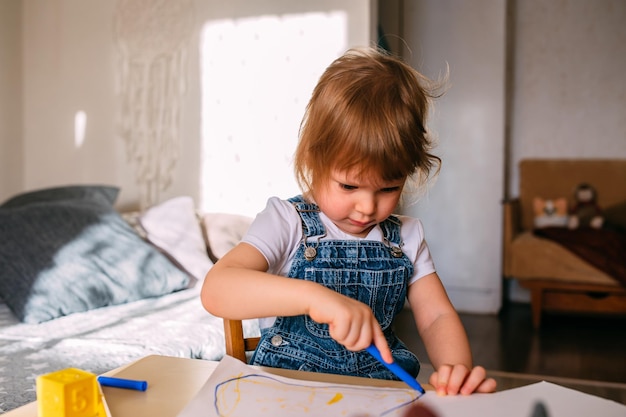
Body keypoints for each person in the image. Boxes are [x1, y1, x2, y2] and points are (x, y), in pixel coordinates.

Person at [201, 47, 497, 396]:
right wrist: (315, 298)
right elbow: (217, 289)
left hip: (377, 392)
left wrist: (455, 373)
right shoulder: (287, 222)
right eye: (349, 185)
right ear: (314, 160)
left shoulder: (406, 237)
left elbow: (436, 317)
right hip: (287, 394)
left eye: (389, 187)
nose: (367, 207)